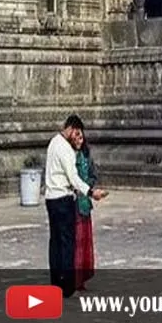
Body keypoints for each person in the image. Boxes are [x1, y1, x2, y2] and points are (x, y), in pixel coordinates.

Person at [44, 115, 106, 297]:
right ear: (71, 129)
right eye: (77, 133)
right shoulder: (65, 149)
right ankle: (67, 288)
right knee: (67, 244)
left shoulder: (53, 142)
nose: (78, 137)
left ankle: (56, 282)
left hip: (51, 198)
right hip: (63, 198)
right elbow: (74, 178)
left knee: (55, 242)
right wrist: (91, 192)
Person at [74, 131, 98, 292]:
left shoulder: (86, 157)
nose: (78, 141)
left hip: (84, 203)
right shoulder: (68, 156)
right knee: (75, 242)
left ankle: (81, 278)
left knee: (84, 242)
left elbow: (93, 175)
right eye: (76, 138)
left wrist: (86, 185)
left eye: (81, 138)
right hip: (72, 203)